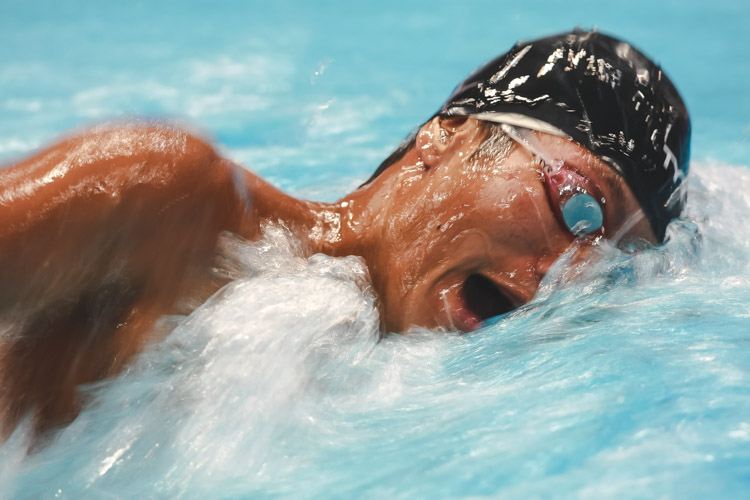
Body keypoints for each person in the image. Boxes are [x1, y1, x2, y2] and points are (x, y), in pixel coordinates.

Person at [0, 30, 690, 435]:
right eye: (580, 211)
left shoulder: (434, 416)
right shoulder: (170, 206)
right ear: (443, 139)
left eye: (608, 259)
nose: (570, 275)